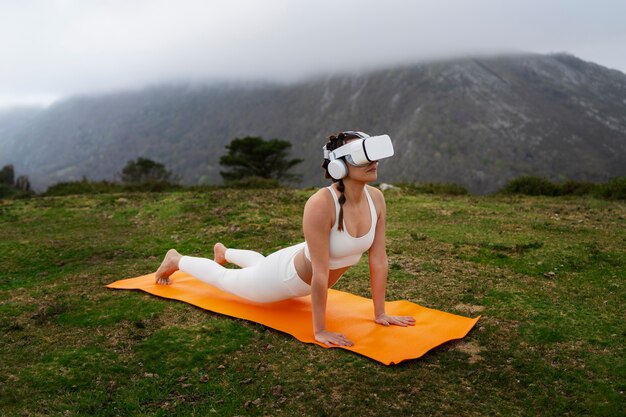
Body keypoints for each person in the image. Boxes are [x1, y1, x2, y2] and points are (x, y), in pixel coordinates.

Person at [154, 131, 415, 347]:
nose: (374, 162)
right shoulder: (321, 204)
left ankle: (226, 252)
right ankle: (177, 259)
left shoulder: (376, 199)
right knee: (225, 280)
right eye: (361, 156)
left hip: (292, 260)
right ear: (339, 165)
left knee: (261, 264)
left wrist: (380, 313)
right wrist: (320, 330)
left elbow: (378, 258)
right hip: (284, 279)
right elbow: (320, 273)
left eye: (372, 154)